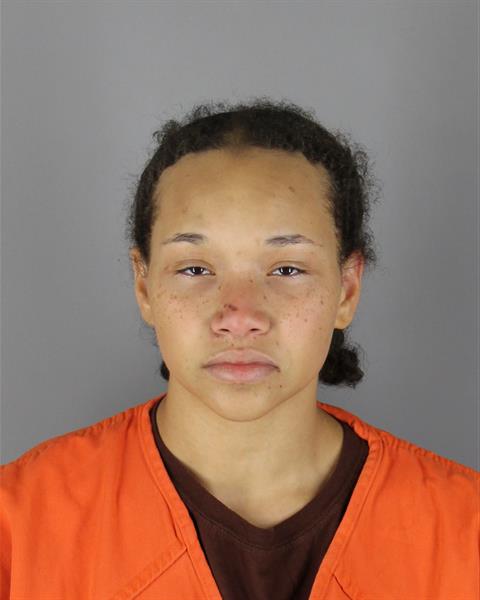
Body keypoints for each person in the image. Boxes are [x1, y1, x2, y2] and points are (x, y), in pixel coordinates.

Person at [1, 99, 478, 600]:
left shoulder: (465, 531)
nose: (240, 315)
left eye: (287, 269)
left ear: (347, 289)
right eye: (195, 269)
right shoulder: (21, 525)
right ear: (144, 287)